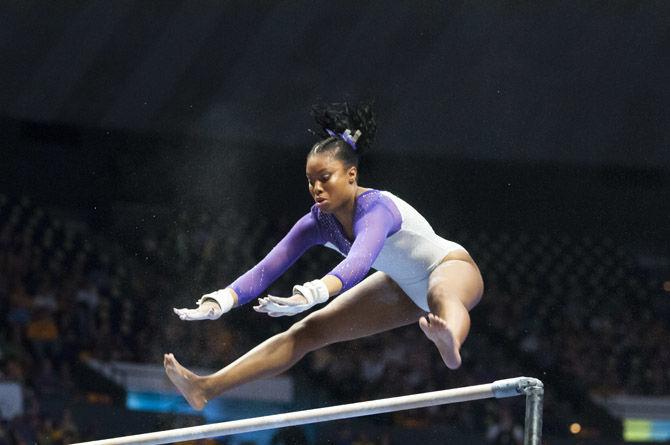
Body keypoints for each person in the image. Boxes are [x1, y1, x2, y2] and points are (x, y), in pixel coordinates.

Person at [165, 102, 484, 410]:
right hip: (399, 284)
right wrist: (221, 301)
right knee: (307, 331)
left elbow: (358, 262)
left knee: (440, 292)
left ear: (351, 175)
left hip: (449, 267)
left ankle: (450, 344)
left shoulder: (376, 209)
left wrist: (313, 292)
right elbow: (267, 268)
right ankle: (205, 389)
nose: (316, 188)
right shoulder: (316, 222)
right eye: (310, 181)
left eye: (325, 178)